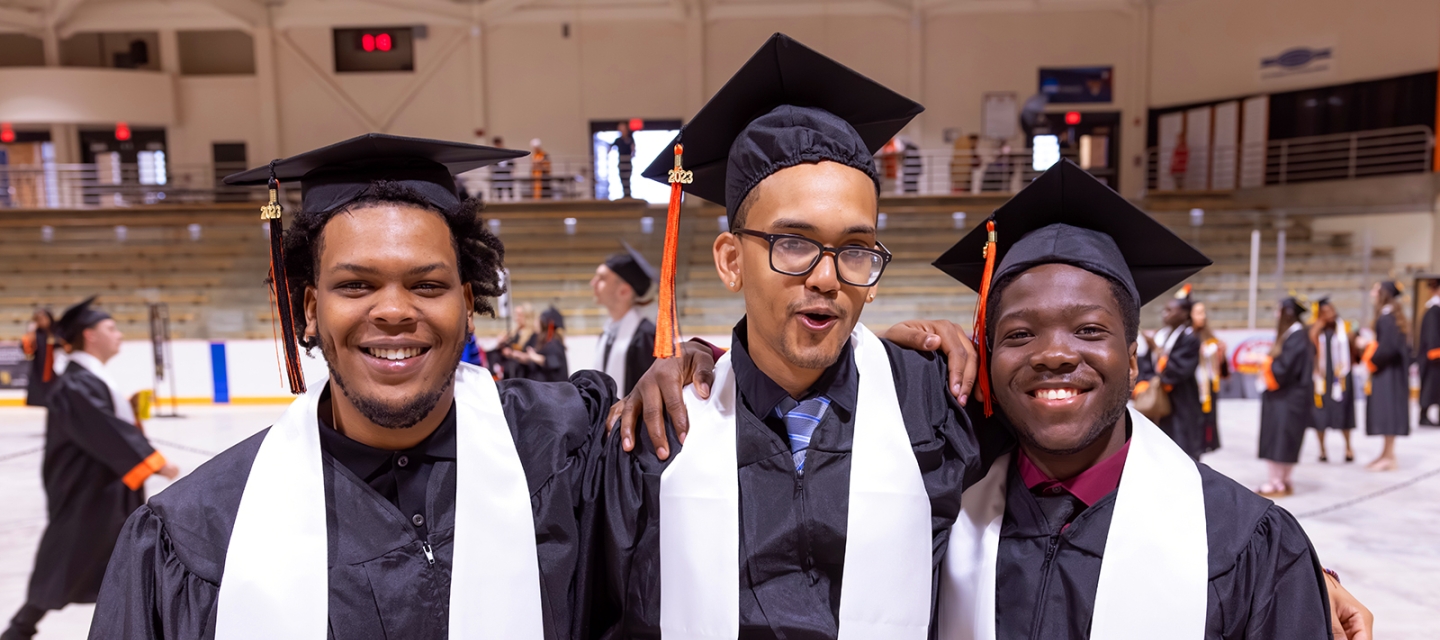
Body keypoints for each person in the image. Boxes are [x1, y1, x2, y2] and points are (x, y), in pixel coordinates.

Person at [92, 134, 619, 639]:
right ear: (310, 310)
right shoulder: (197, 532)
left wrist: (675, 379)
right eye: (355, 285)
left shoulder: (570, 447)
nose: (393, 310)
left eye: (427, 285)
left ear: (467, 305)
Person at [592, 33, 979, 639]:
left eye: (855, 249)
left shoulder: (935, 405)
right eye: (793, 243)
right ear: (730, 261)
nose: (826, 277)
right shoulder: (663, 428)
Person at [926, 159, 1330, 638]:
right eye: (1019, 334)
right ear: (988, 358)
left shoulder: (1241, 542)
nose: (1054, 354)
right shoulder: (941, 512)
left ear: (1134, 360)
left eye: (1088, 330)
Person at [4, 297, 179, 640]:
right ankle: (19, 629)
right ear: (89, 335)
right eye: (111, 328)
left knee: (111, 561)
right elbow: (103, 429)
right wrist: (154, 462)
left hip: (103, 487)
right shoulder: (75, 382)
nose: (119, 334)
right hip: (86, 491)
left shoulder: (87, 377)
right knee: (70, 557)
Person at [1255, 296, 1314, 497]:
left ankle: (1276, 482)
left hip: (1285, 398)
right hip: (1294, 398)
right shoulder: (1298, 335)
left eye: (1278, 310)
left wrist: (1264, 362)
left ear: (1287, 314)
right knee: (1288, 438)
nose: (1276, 314)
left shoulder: (1296, 337)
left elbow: (1283, 369)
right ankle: (1285, 479)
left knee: (1279, 438)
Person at [591, 241, 657, 395]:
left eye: (602, 278)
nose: (592, 283)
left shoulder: (646, 337)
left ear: (624, 291)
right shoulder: (607, 333)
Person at [1151, 285, 1204, 459]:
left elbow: (1180, 369)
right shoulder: (1163, 335)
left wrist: (1158, 354)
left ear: (1184, 314)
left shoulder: (1190, 338)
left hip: (1183, 398)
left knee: (1183, 444)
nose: (1164, 314)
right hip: (1165, 399)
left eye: (1169, 310)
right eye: (1164, 310)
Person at [1363, 280, 1410, 471]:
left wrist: (1371, 358)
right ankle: (1386, 453)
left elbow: (1387, 349)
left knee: (1388, 412)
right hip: (1392, 371)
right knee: (1388, 411)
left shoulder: (1386, 317)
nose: (1372, 293)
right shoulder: (1392, 315)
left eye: (1376, 290)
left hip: (1387, 373)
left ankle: (1389, 456)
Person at [1310, 297, 1357, 462]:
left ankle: (1348, 448)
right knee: (1320, 415)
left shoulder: (1344, 328)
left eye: (1331, 310)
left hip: (1341, 378)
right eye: (1325, 312)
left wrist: (1352, 337)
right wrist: (1316, 328)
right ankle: (1322, 450)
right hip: (1322, 379)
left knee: (1344, 413)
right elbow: (1308, 347)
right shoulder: (1315, 330)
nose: (1330, 314)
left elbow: (1354, 349)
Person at [1191, 301, 1227, 453]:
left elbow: (1221, 368)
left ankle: (1205, 444)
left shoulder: (1208, 336)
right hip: (1192, 386)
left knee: (1207, 419)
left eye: (1204, 312)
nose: (1203, 316)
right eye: (1199, 313)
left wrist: (1220, 353)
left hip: (1208, 386)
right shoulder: (1187, 336)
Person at [21, 308, 57, 407]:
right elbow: (28, 352)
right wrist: (30, 335)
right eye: (39, 319)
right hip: (39, 366)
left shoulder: (56, 332)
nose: (42, 321)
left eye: (44, 318)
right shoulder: (34, 334)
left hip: (55, 365)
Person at [1417, 278, 1440, 426]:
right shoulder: (1433, 310)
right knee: (1430, 386)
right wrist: (1436, 352)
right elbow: (1432, 335)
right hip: (1434, 357)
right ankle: (1423, 415)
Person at [611, 122, 635, 199]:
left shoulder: (630, 139)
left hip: (628, 162)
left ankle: (628, 195)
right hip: (621, 162)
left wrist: (632, 154)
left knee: (628, 179)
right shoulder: (618, 140)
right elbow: (610, 147)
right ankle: (625, 195)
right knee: (623, 179)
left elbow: (633, 149)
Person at [490, 136, 514, 200]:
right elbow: (491, 165)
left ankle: (511, 201)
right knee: (499, 190)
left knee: (510, 189)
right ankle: (499, 200)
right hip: (498, 174)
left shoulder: (508, 152)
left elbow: (512, 163)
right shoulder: (493, 154)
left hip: (507, 174)